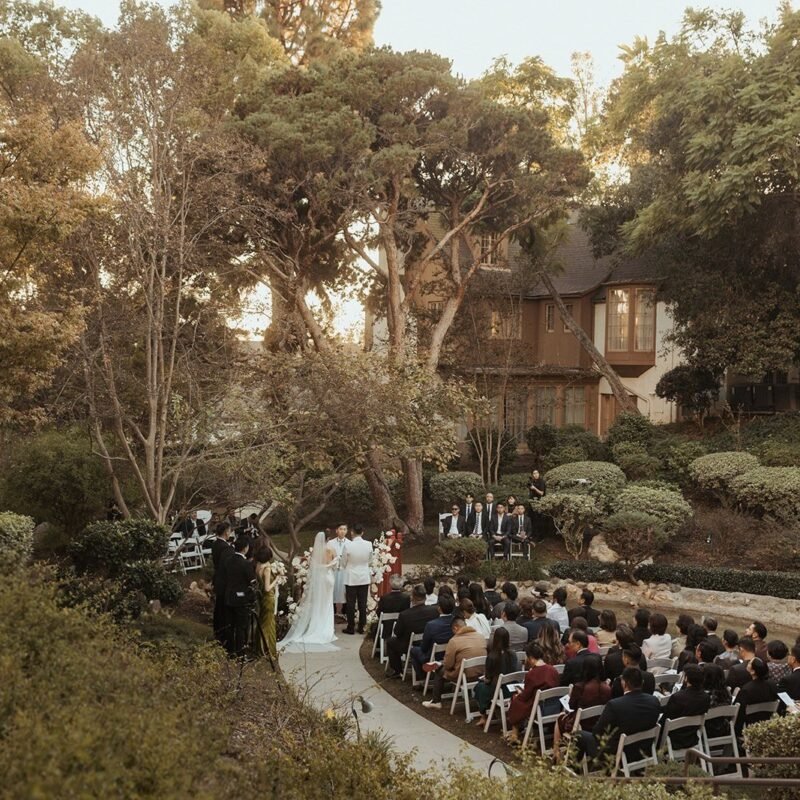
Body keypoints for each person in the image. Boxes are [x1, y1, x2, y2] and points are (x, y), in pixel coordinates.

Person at [579, 667, 661, 768]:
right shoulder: (654, 701)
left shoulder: (615, 705)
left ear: (624, 683)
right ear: (642, 682)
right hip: (645, 749)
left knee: (579, 735)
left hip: (619, 754)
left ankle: (574, 771)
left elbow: (597, 732)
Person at [278, 531, 338, 653]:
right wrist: (331, 564)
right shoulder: (331, 549)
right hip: (328, 577)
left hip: (319, 578)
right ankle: (326, 628)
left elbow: (314, 566)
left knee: (318, 602)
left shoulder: (316, 551)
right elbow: (336, 563)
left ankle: (316, 625)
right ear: (328, 539)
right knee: (327, 602)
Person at [422, 616, 486, 710]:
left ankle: (436, 701)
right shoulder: (480, 637)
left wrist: (443, 664)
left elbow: (448, 665)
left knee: (439, 670)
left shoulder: (454, 641)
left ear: (455, 628)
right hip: (481, 675)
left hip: (464, 676)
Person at [553, 654, 610, 758]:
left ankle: (556, 753)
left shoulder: (580, 687)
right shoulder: (607, 688)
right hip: (598, 725)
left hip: (581, 725)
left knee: (560, 717)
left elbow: (571, 706)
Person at [505, 642, 560, 744]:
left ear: (530, 657)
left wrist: (519, 693)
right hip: (554, 707)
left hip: (539, 708)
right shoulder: (553, 670)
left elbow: (526, 696)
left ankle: (515, 733)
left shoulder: (532, 673)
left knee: (515, 699)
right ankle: (515, 733)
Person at [386, 584, 439, 677]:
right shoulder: (434, 611)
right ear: (425, 597)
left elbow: (397, 632)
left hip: (409, 644)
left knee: (390, 642)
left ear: (413, 598)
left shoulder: (405, 614)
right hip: (428, 643)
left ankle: (397, 670)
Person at [473, 627, 518, 726]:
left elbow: (488, 679)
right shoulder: (513, 654)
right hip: (511, 688)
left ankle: (483, 716)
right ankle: (491, 712)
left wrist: (485, 680)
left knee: (479, 688)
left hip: (498, 689)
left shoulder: (492, 657)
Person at [661, 666, 710, 749]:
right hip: (693, 737)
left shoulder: (677, 697)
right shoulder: (706, 697)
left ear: (686, 678)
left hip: (674, 740)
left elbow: (665, 720)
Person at [410, 595, 456, 680]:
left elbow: (424, 648)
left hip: (434, 657)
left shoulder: (431, 625)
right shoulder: (457, 622)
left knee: (413, 650)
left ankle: (422, 678)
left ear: (439, 608)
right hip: (452, 655)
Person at [225, 536, 257, 656]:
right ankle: (240, 652)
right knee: (241, 626)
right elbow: (252, 582)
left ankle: (230, 650)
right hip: (241, 598)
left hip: (229, 596)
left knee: (231, 625)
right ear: (245, 548)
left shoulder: (228, 560)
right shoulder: (245, 564)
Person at [734, 658, 778, 736]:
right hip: (767, 723)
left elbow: (737, 711)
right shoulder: (773, 685)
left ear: (753, 671)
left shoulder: (747, 689)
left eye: (749, 663)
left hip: (749, 725)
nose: (747, 663)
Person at [342, 525, 372, 635]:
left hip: (351, 576)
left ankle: (350, 627)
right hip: (363, 576)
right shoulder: (369, 544)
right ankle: (361, 626)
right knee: (362, 603)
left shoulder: (348, 545)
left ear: (352, 532)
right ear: (362, 532)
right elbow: (370, 559)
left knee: (350, 603)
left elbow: (343, 561)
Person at [210, 521, 234, 648]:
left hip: (217, 579)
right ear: (226, 532)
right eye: (229, 531)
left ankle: (218, 631)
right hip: (224, 581)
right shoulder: (226, 548)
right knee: (223, 609)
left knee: (218, 607)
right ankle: (223, 634)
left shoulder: (215, 544)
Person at [254, 545, 280, 660]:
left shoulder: (258, 565)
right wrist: (277, 579)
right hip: (268, 597)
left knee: (263, 622)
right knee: (268, 624)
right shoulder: (267, 568)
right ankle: (268, 650)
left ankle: (260, 648)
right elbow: (267, 588)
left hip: (262, 598)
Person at [376, 574, 411, 640]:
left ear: (390, 584)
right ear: (402, 584)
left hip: (386, 628)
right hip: (400, 627)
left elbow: (379, 613)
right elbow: (407, 612)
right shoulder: (406, 598)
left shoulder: (384, 598)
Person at [327, 524, 349, 621]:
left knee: (344, 589)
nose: (342, 531)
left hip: (345, 569)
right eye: (340, 529)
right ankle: (333, 610)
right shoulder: (330, 543)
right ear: (336, 530)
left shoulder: (350, 543)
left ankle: (344, 611)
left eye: (344, 529)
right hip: (334, 569)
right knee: (333, 588)